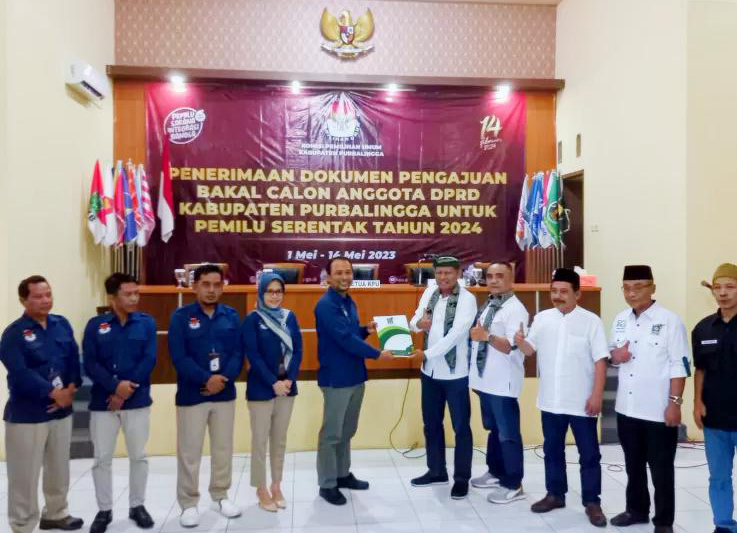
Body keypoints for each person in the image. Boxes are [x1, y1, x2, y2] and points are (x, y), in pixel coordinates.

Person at [515, 268, 608, 527]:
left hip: (582, 402)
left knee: (589, 454)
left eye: (564, 291)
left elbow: (601, 361)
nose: (557, 296)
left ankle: (592, 501)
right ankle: (555, 495)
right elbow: (530, 349)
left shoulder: (591, 321)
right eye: (554, 291)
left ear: (577, 294)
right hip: (551, 400)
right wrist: (520, 342)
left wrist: (597, 395)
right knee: (552, 450)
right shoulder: (542, 318)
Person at [608, 265, 690, 533]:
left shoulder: (670, 321)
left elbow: (679, 365)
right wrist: (616, 357)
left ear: (652, 288)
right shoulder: (620, 319)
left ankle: (664, 521)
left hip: (658, 410)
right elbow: (613, 354)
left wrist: (674, 404)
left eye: (638, 287)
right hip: (626, 408)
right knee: (633, 465)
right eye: (626, 288)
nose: (631, 293)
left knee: (661, 469)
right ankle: (636, 510)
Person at [0, 275, 83, 533]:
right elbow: (20, 372)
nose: (45, 300)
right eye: (38, 296)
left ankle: (56, 514)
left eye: (48, 294)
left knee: (59, 468)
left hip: (61, 410)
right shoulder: (14, 334)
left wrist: (71, 389)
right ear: (23, 300)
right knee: (24, 475)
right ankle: (22, 525)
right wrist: (52, 392)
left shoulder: (61, 324)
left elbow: (73, 358)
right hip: (28, 414)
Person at [314, 256, 395, 506]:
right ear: (328, 277)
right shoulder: (326, 305)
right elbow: (344, 340)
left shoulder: (348, 301)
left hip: (355, 375)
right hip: (336, 378)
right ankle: (327, 484)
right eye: (339, 273)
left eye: (348, 272)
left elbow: (350, 334)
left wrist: (365, 330)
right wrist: (377, 354)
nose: (344, 277)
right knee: (332, 434)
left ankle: (342, 474)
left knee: (347, 431)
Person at [168, 264, 244, 527]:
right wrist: (206, 379)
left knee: (223, 449)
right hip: (192, 394)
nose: (211, 290)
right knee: (189, 452)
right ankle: (189, 503)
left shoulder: (231, 316)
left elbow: (238, 354)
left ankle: (220, 495)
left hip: (224, 393)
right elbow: (179, 357)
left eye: (216, 285)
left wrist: (222, 380)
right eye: (205, 284)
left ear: (222, 287)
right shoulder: (180, 317)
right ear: (194, 286)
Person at [82, 273, 157, 533]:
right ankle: (104, 510)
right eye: (128, 294)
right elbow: (90, 363)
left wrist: (125, 390)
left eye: (137, 293)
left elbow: (149, 359)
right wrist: (114, 387)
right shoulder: (95, 326)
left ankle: (137, 505)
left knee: (139, 456)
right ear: (112, 297)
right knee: (102, 458)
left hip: (137, 401)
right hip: (103, 403)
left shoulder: (146, 323)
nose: (134, 298)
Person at [409, 256, 477, 500]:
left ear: (458, 273)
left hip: (455, 374)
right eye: (439, 273)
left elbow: (456, 336)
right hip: (429, 372)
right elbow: (414, 321)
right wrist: (419, 323)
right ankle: (436, 471)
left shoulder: (467, 300)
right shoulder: (430, 293)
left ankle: (461, 479)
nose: (443, 277)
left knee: (461, 428)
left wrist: (426, 353)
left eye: (448, 273)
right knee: (431, 424)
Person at [468, 261, 529, 504]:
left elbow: (512, 347)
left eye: (500, 276)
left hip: (503, 382)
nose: (493, 280)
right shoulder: (490, 304)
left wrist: (487, 336)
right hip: (485, 380)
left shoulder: (516, 309)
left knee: (508, 434)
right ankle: (495, 471)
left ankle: (513, 483)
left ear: (511, 278)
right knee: (493, 429)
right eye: (490, 276)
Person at [242, 272, 303, 512]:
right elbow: (253, 356)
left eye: (278, 292)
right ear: (261, 292)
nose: (274, 296)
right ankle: (261, 489)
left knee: (279, 441)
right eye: (270, 291)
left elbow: (297, 351)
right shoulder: (253, 319)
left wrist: (289, 379)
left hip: (287, 388)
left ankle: (276, 485)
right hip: (261, 389)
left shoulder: (290, 317)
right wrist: (272, 382)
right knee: (260, 441)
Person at [692, 263, 737, 533]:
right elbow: (700, 370)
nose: (723, 293)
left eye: (730, 287)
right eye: (718, 287)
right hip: (715, 418)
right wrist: (697, 402)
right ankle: (724, 525)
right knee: (719, 477)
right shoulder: (703, 329)